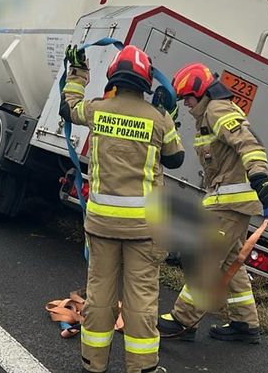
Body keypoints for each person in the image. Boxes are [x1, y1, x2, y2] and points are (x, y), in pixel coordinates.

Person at [61, 44, 184, 373]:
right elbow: (175, 158)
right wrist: (169, 115)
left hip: (102, 223)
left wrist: (77, 74)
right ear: (146, 81)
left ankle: (93, 364)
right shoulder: (158, 119)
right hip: (145, 228)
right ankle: (142, 367)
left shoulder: (98, 110)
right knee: (141, 300)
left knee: (99, 295)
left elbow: (67, 108)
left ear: (113, 77)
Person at [157, 62, 268, 344]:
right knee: (230, 263)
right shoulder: (209, 114)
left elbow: (249, 144)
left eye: (189, 98)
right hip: (227, 202)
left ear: (202, 93)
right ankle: (245, 324)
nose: (187, 104)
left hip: (230, 205)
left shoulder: (217, 110)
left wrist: (260, 177)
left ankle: (183, 321)